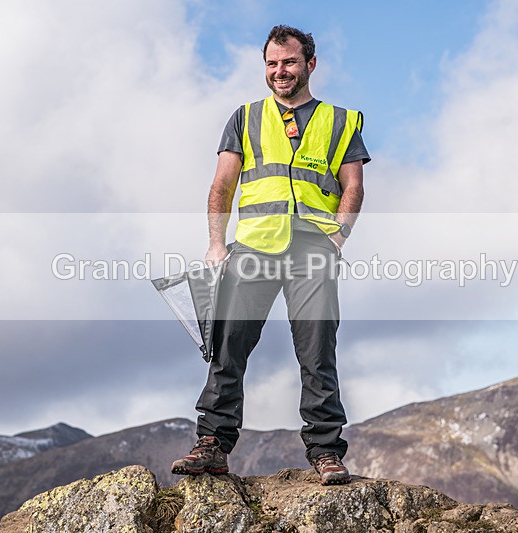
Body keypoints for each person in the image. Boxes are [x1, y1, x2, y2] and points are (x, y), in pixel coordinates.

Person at [171, 25, 370, 486]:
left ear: (310, 65)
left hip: (314, 249)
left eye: (289, 62)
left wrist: (337, 240)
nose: (280, 71)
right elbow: (222, 184)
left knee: (317, 351)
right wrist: (216, 243)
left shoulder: (342, 121)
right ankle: (213, 446)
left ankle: (325, 451)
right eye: (272, 64)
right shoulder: (244, 117)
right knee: (227, 347)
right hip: (254, 247)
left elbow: (354, 185)